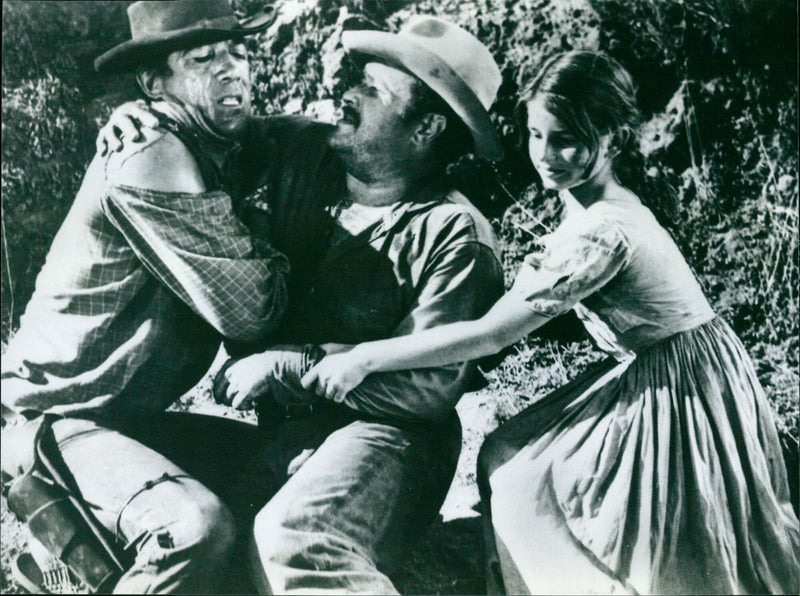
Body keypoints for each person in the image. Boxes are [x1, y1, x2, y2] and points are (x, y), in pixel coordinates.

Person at [300, 50, 800, 594]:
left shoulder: (602, 232)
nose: (544, 154)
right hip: (661, 358)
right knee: (505, 453)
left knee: (533, 488)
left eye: (565, 140)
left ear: (613, 139)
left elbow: (491, 333)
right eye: (536, 135)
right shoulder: (589, 200)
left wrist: (363, 358)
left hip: (678, 383)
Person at [99, 13, 507, 595]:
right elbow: (206, 123)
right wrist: (142, 116)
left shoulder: (456, 235)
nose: (348, 93)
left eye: (372, 90)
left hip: (393, 444)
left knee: (296, 538)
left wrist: (292, 364)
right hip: (285, 438)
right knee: (127, 468)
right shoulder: (302, 152)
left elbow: (426, 388)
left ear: (427, 127)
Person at [0, 1, 288, 593]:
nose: (231, 68)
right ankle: (70, 551)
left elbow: (301, 137)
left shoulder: (215, 140)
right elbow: (251, 312)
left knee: (287, 482)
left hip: (124, 420)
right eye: (203, 58)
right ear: (155, 84)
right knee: (193, 529)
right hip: (49, 421)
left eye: (238, 52)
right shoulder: (151, 153)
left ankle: (66, 563)